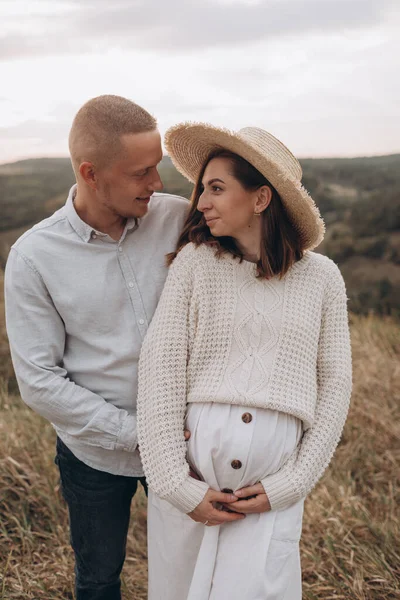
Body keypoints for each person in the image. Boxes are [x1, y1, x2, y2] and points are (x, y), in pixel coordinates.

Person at [137, 123, 353, 600]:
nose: (201, 203)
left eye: (217, 188)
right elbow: (161, 368)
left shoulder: (322, 279)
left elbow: (335, 384)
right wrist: (175, 482)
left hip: (269, 497)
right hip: (195, 487)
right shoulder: (195, 263)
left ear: (260, 199)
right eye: (202, 190)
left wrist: (294, 482)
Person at [4, 95, 192, 600]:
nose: (157, 183)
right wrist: (142, 436)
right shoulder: (33, 257)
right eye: (142, 172)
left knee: (191, 573)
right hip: (93, 455)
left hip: (188, 443)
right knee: (99, 577)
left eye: (158, 168)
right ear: (91, 172)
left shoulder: (178, 218)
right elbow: (40, 383)